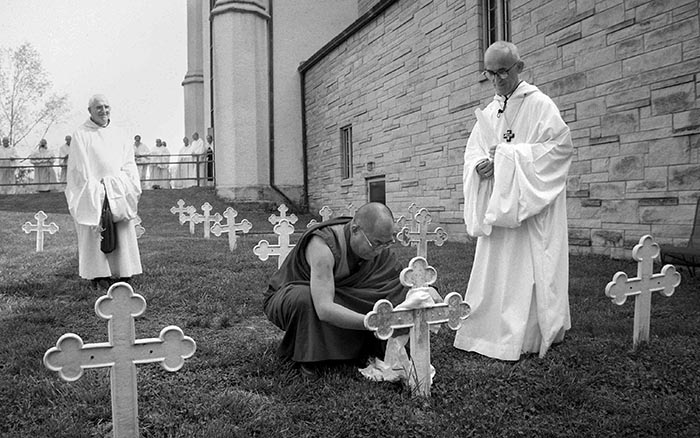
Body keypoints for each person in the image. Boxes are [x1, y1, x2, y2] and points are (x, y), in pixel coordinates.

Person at [453, 41, 573, 361]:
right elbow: (475, 151)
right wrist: (480, 166)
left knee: (528, 271)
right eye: (489, 73)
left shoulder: (541, 105)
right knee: (496, 269)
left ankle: (528, 335)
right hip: (498, 206)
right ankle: (492, 329)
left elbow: (559, 150)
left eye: (502, 71)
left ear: (520, 67)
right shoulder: (491, 111)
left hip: (529, 211)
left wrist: (507, 161)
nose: (496, 80)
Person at [263, 202, 408, 378]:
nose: (380, 250)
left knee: (399, 291)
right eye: (376, 244)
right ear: (355, 230)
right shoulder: (323, 245)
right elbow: (324, 309)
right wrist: (373, 322)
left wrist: (423, 293)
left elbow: (399, 280)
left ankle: (380, 347)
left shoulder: (378, 247)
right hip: (302, 296)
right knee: (305, 300)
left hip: (345, 294)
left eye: (387, 243)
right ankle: (311, 359)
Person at [65, 94, 142, 288]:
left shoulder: (120, 134)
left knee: (122, 230)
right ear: (89, 110)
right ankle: (99, 275)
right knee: (95, 231)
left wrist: (121, 185)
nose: (103, 111)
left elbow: (129, 164)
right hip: (93, 192)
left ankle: (124, 272)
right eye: (98, 107)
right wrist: (98, 190)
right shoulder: (81, 134)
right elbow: (79, 169)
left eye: (107, 107)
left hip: (119, 190)